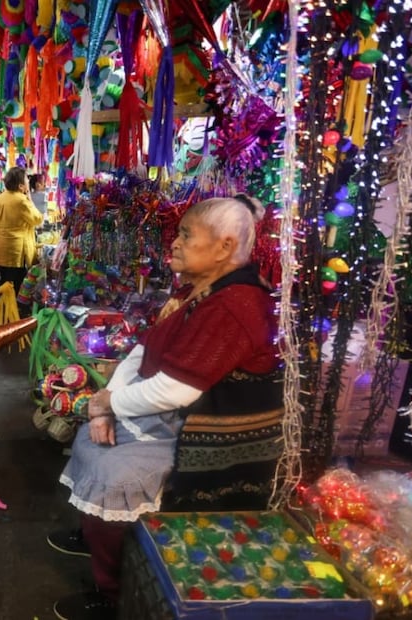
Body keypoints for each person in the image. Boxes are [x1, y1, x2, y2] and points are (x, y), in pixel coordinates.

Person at [47, 194, 283, 620]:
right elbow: (143, 348)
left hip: (205, 429)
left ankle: (114, 590)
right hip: (177, 415)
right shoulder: (199, 291)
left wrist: (107, 401)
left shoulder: (235, 305)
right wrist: (105, 404)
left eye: (186, 235)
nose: (174, 243)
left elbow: (176, 390)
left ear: (225, 247)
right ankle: (101, 535)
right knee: (89, 435)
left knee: (111, 470)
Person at [0, 166, 43, 317]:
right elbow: (37, 219)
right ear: (21, 185)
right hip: (14, 250)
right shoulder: (21, 200)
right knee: (15, 282)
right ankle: (10, 315)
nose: (29, 181)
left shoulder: (0, 197)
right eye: (27, 179)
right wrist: (30, 199)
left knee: (6, 280)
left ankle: (2, 313)